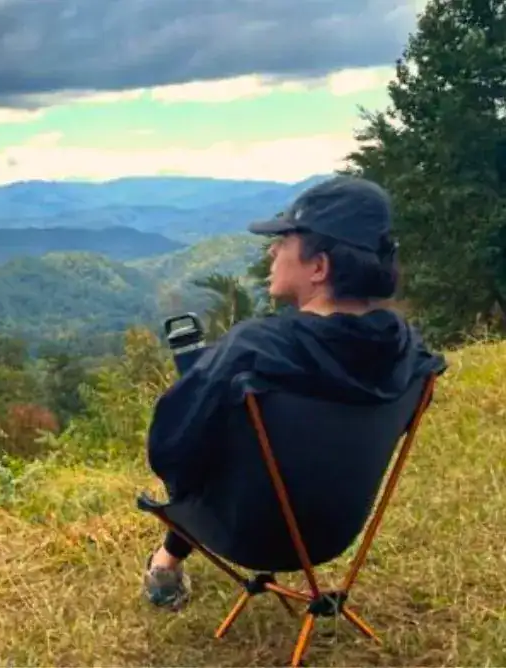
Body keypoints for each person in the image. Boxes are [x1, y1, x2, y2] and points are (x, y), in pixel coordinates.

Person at [142, 175, 447, 610]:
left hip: (251, 533)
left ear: (319, 267)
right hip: (336, 532)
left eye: (283, 241)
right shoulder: (411, 353)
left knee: (200, 453)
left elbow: (170, 450)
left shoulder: (254, 351)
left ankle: (165, 563)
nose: (272, 251)